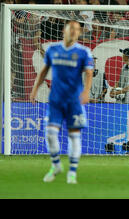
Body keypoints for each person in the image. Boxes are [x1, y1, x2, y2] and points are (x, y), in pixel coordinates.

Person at [29, 20, 94, 184]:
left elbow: (89, 73)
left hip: (74, 101)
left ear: (79, 33)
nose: (74, 31)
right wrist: (35, 89)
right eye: (71, 28)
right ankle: (56, 164)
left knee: (74, 136)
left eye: (77, 30)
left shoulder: (83, 52)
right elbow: (44, 71)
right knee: (50, 133)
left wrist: (86, 91)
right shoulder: (52, 49)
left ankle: (72, 172)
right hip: (56, 100)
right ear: (64, 30)